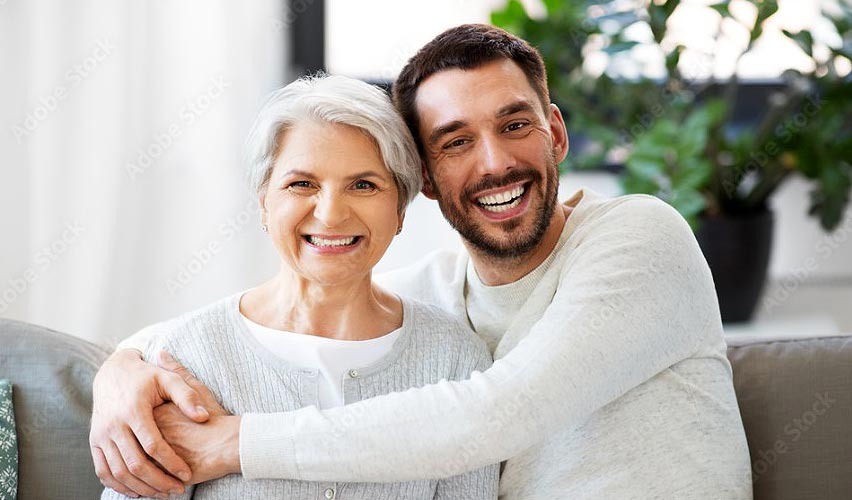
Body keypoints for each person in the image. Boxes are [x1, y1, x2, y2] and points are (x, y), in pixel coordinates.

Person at [91, 24, 753, 499]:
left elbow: (500, 414)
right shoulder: (437, 297)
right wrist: (120, 372)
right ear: (427, 179)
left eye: (514, 124)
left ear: (555, 132)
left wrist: (234, 444)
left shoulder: (638, 236)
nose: (494, 162)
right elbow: (267, 319)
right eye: (456, 141)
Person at [98, 74, 499, 499]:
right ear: (264, 202)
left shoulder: (456, 361)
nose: (330, 215)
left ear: (400, 208)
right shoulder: (180, 362)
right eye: (301, 184)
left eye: (363, 185)